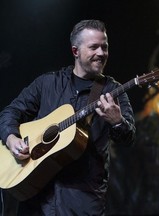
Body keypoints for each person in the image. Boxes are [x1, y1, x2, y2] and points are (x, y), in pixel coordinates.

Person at [0, 19, 136, 215]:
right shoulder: (47, 84)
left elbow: (128, 138)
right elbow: (9, 113)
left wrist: (117, 122)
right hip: (35, 197)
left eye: (104, 47)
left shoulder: (113, 90)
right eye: (94, 47)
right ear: (75, 51)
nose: (101, 53)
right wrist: (12, 139)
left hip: (82, 200)